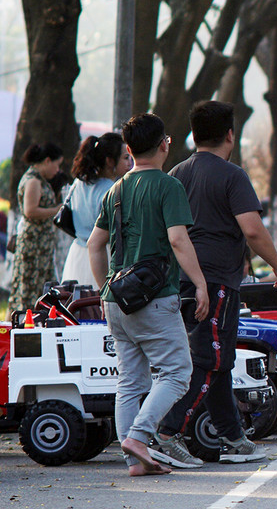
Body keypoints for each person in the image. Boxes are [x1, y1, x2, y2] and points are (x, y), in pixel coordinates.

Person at [152, 100, 277, 467]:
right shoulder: (232, 176)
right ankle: (167, 432)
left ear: (194, 134)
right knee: (209, 359)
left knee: (217, 360)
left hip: (179, 279)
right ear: (231, 134)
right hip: (216, 282)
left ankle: (232, 437)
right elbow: (253, 230)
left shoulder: (177, 172)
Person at [87, 114, 210, 476]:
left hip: (116, 298)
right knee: (177, 372)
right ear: (164, 145)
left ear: (128, 149)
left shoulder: (116, 190)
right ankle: (140, 437)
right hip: (154, 298)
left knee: (130, 379)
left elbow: (96, 245)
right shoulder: (168, 186)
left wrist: (104, 287)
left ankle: (133, 461)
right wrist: (200, 283)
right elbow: (177, 239)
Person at [62, 134, 131, 286]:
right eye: (125, 157)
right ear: (109, 161)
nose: (129, 163)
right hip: (101, 257)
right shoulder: (112, 191)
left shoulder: (79, 183)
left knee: (76, 306)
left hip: (77, 254)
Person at [11, 142, 65, 313]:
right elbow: (30, 211)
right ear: (48, 161)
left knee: (40, 288)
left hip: (41, 246)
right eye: (57, 165)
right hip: (33, 245)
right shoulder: (33, 181)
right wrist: (56, 210)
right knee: (29, 290)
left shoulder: (39, 180)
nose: (57, 170)